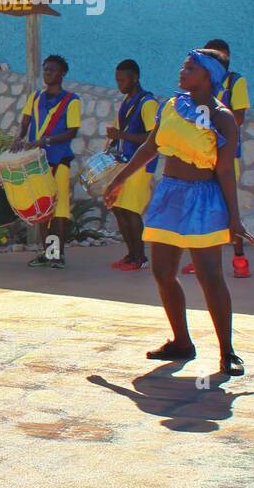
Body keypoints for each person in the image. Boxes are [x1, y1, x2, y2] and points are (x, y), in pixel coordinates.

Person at [104, 49, 250, 375]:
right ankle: (182, 343)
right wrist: (119, 179)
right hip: (170, 195)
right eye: (183, 65)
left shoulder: (221, 117)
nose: (182, 71)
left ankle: (228, 352)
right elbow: (150, 145)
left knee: (210, 276)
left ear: (208, 76)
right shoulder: (172, 105)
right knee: (161, 272)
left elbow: (225, 172)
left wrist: (234, 218)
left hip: (204, 200)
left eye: (190, 68)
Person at [183, 38, 249, 278]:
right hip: (200, 155)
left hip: (225, 154)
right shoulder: (198, 85)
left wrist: (214, 124)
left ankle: (240, 258)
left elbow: (238, 117)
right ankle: (201, 260)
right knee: (202, 208)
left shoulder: (235, 82)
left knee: (229, 208)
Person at [17, 55, 81, 269]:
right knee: (43, 209)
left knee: (59, 210)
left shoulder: (72, 100)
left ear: (62, 74)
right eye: (46, 70)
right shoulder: (35, 98)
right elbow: (25, 121)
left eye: (52, 70)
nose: (48, 73)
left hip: (58, 160)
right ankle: (48, 253)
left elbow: (72, 131)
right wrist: (19, 138)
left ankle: (57, 254)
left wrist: (45, 140)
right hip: (38, 162)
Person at [105, 59, 158, 271]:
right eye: (117, 80)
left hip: (141, 165)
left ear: (135, 78)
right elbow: (119, 134)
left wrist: (121, 134)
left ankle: (141, 257)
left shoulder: (148, 103)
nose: (119, 84)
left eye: (122, 80)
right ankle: (131, 254)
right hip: (124, 162)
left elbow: (153, 137)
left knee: (130, 209)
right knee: (118, 208)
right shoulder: (127, 101)